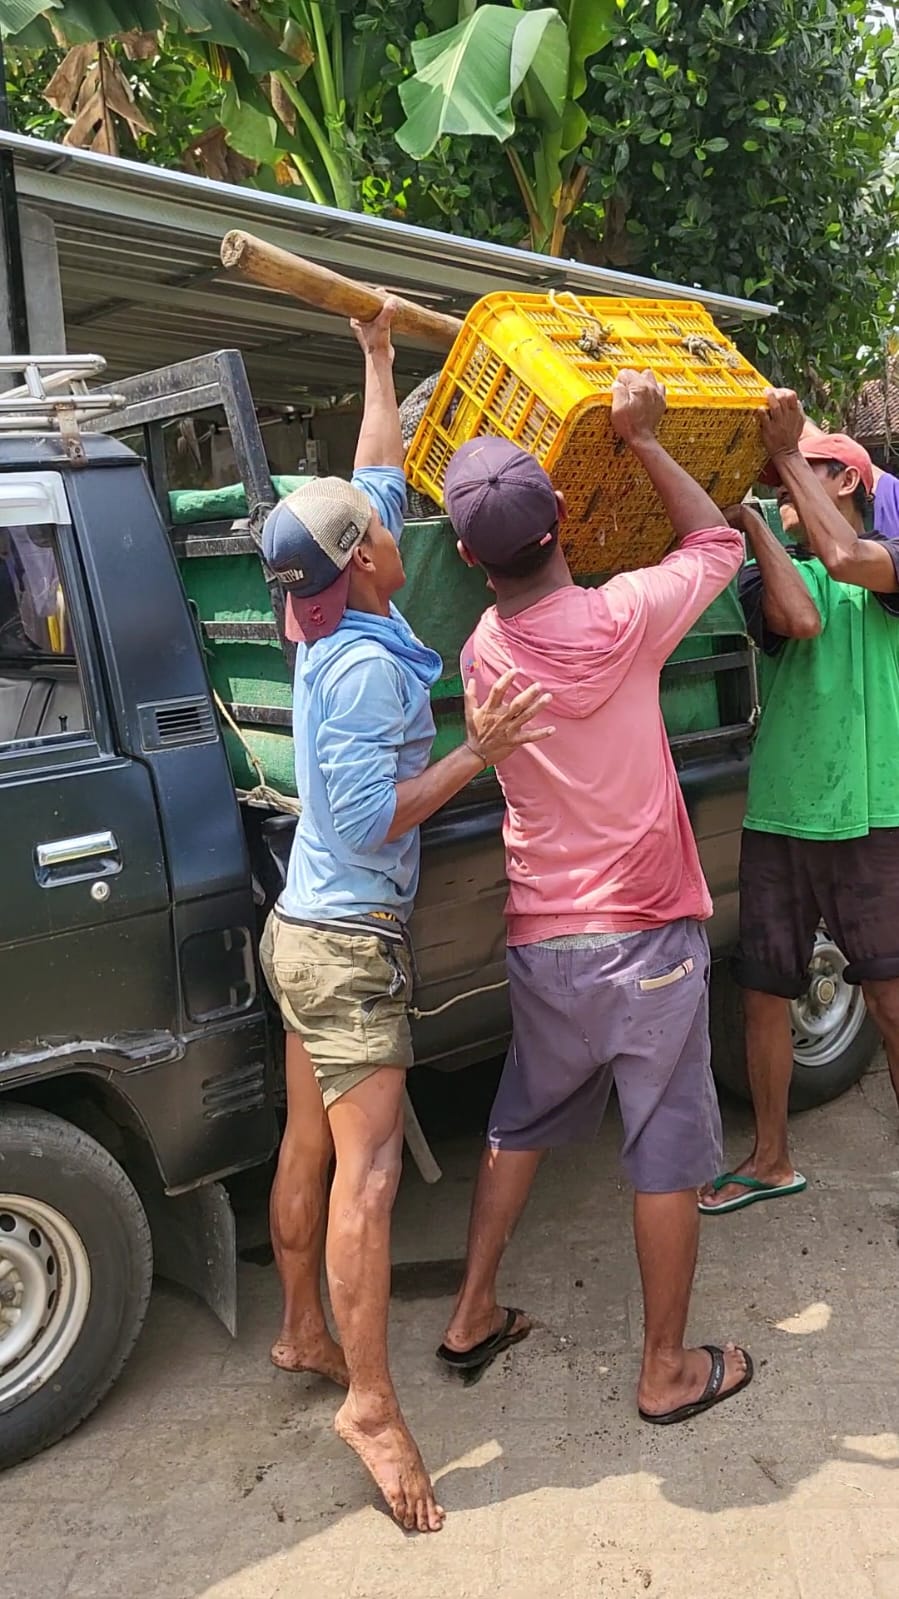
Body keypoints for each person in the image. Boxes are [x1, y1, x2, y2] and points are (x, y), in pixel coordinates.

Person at [259, 301, 553, 1533]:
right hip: (345, 947)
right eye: (379, 529)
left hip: (294, 935)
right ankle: (371, 1405)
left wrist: (378, 357)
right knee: (368, 1176)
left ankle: (297, 1334)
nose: (388, 518)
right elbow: (375, 817)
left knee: (308, 1145)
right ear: (370, 565)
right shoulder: (376, 667)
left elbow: (372, 476)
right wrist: (475, 753)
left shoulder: (315, 610)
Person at [437, 369, 754, 1425]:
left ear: (470, 560)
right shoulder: (624, 620)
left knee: (519, 1123)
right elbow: (715, 545)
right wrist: (643, 439)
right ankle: (664, 1371)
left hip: (542, 940)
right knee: (663, 1144)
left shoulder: (480, 654)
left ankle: (471, 1308)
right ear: (567, 512)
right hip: (645, 939)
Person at [699, 393, 899, 1215]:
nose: (782, 484)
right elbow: (801, 617)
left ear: (843, 478)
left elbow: (849, 561)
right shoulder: (763, 571)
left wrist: (780, 459)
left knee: (889, 998)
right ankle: (770, 1156)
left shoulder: (885, 555)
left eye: (801, 467)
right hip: (781, 810)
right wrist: (751, 522)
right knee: (762, 991)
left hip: (873, 811)